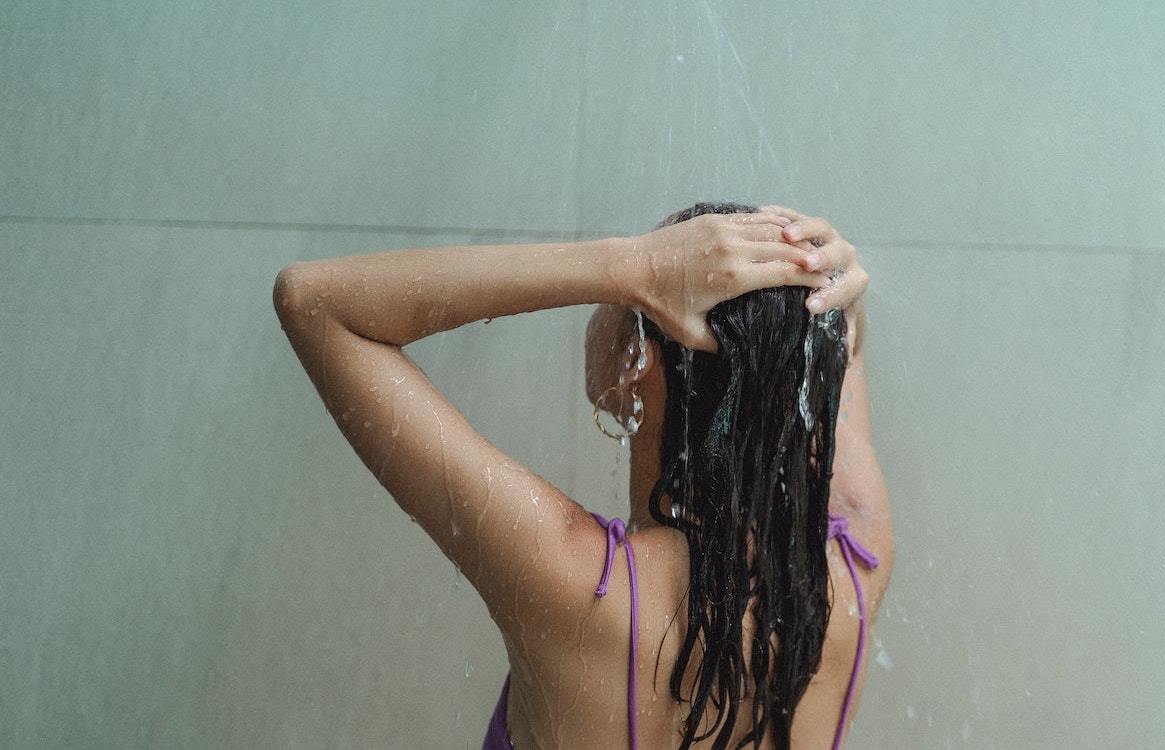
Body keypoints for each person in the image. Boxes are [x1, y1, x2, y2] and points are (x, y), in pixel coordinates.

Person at [273, 202, 895, 749]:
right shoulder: (855, 575)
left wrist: (636, 267)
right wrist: (829, 293)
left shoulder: (571, 579)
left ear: (637, 359)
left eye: (631, 300)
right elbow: (844, 355)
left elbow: (315, 303)